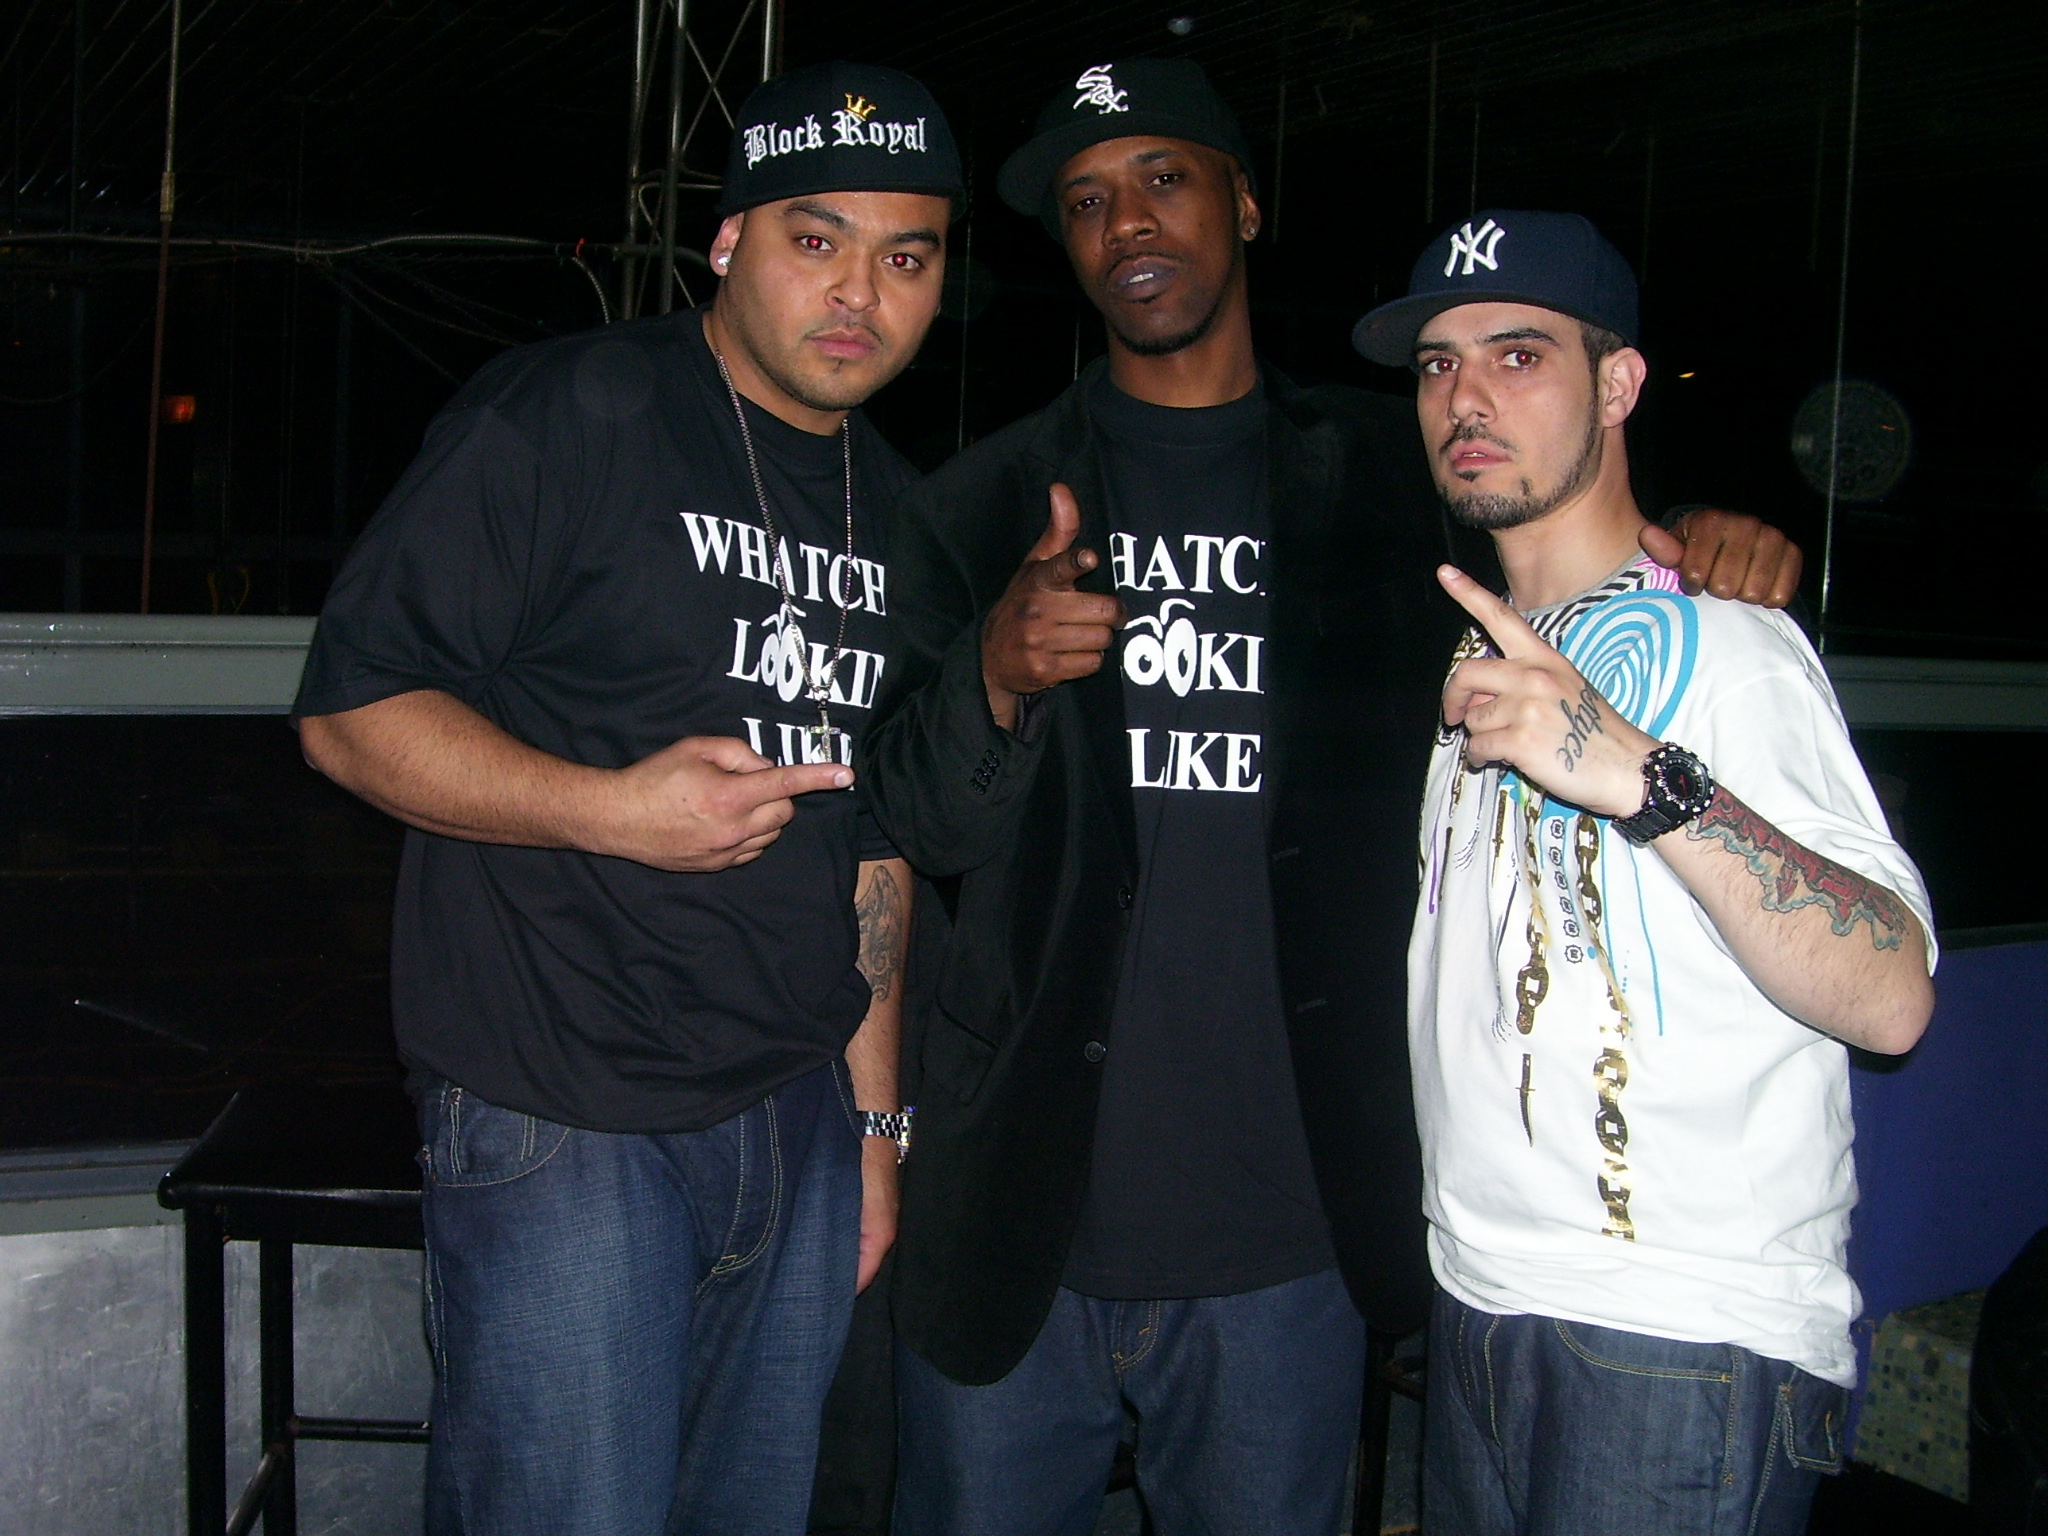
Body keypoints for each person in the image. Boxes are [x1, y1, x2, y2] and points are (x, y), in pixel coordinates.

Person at [860, 60, 1801, 1536]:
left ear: (1244, 201)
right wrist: (992, 677)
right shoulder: (973, 506)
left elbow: (1566, 544)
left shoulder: (1393, 478)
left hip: (1294, 1227)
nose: (1126, 222)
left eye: (1163, 178)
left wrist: (1702, 535)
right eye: (1087, 201)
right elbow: (918, 824)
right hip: (1019, 1224)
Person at [290, 62, 959, 1535]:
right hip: (566, 1115)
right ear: (726, 243)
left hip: (795, 1117)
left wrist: (876, 1130)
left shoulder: (908, 514)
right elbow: (350, 713)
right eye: (816, 239)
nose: (858, 292)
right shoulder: (571, 411)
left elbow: (874, 852)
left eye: (906, 259)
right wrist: (609, 810)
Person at [1352, 209, 1936, 1534]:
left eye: (1518, 355)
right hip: (1479, 1301)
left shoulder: (1729, 646)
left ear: (1618, 385)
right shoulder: (1478, 652)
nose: (1466, 397)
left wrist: (1640, 774)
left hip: (1677, 1341)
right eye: (1439, 364)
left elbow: (1894, 994)